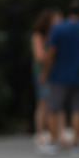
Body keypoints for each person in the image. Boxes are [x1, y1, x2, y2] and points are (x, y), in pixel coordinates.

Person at [38, 0, 79, 157]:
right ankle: (76, 144)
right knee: (78, 109)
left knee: (54, 108)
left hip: (60, 75)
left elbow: (51, 52)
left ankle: (53, 141)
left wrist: (44, 72)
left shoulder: (58, 29)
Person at [30, 8, 63, 148]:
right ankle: (41, 134)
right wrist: (51, 54)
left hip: (56, 72)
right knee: (43, 103)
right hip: (42, 73)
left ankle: (59, 134)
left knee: (58, 104)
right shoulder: (38, 35)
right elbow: (39, 56)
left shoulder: (58, 35)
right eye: (57, 20)